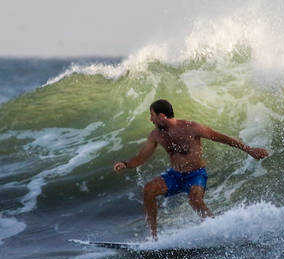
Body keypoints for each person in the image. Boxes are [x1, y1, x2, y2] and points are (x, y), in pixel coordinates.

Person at [112, 99, 268, 238]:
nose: (150, 119)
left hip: (195, 175)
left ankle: (216, 231)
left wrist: (250, 150)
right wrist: (125, 164)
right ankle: (153, 238)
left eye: (152, 115)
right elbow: (141, 157)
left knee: (195, 200)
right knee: (148, 190)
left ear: (162, 117)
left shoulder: (192, 127)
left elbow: (223, 138)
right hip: (174, 175)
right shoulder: (156, 135)